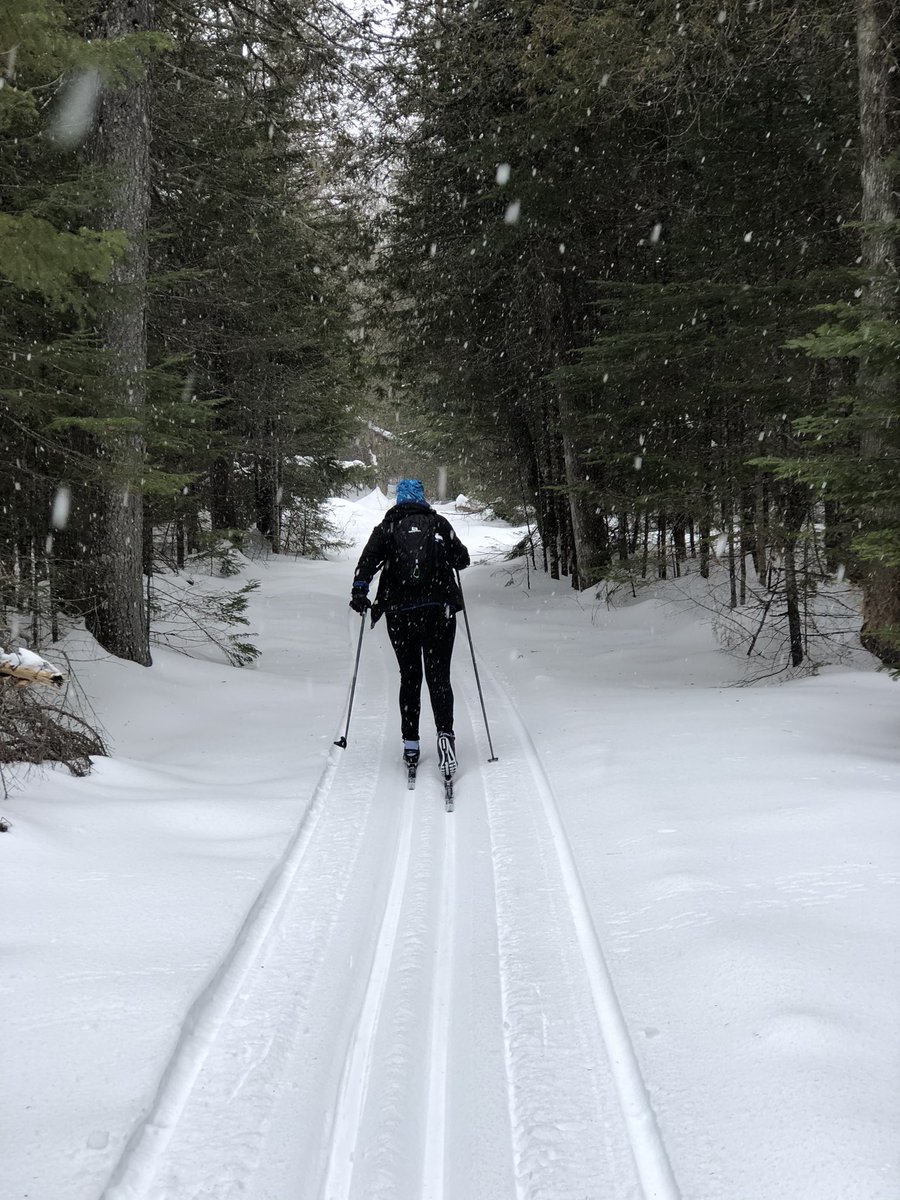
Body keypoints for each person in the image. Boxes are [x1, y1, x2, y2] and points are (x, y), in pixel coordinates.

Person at [350, 478, 470, 776]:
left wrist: (360, 592)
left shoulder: (387, 527)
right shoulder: (438, 524)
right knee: (439, 675)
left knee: (410, 676)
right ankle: (445, 735)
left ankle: (411, 744)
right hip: (438, 610)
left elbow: (366, 563)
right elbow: (462, 559)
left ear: (399, 500)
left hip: (399, 613)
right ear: (422, 498)